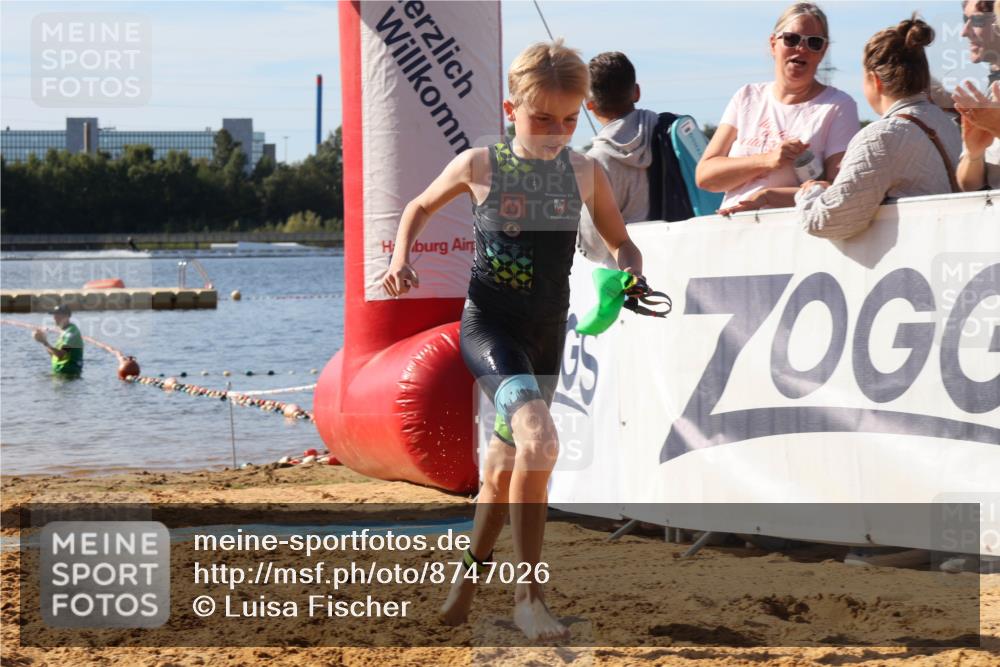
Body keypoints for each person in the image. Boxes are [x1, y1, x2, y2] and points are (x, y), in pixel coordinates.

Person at [382, 39, 643, 641]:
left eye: (570, 121)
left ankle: (467, 579)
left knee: (502, 470)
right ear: (511, 109)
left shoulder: (584, 172)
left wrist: (632, 272)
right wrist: (401, 258)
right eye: (542, 118)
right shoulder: (481, 166)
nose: (557, 133)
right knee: (541, 441)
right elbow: (418, 206)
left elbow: (622, 242)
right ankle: (529, 597)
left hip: (546, 333)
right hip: (491, 328)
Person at [797, 15, 961, 240]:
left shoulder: (879, 137)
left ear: (875, 80)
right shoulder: (947, 124)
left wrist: (810, 192)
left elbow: (828, 221)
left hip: (910, 254)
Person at [696, 2, 859, 216]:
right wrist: (767, 160)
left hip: (789, 230)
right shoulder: (746, 96)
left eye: (814, 42)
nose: (801, 48)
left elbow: (838, 191)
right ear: (773, 44)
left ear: (823, 51)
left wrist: (766, 197)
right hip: (731, 228)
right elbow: (705, 176)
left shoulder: (838, 105)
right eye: (792, 39)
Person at [577, 51, 659, 265]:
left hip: (626, 274)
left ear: (589, 104)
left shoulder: (594, 162)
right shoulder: (671, 133)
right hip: (687, 258)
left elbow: (593, 248)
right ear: (637, 92)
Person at [953, 1, 1000, 190]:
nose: (964, 32)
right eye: (965, 19)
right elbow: (968, 185)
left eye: (978, 21)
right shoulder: (988, 93)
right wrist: (974, 154)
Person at [33, 305, 84, 377]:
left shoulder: (71, 333)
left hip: (69, 375)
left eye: (58, 315)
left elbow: (61, 355)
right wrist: (42, 339)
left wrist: (45, 342)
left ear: (67, 316)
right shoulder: (64, 331)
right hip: (59, 374)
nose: (54, 318)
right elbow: (54, 355)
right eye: (54, 315)